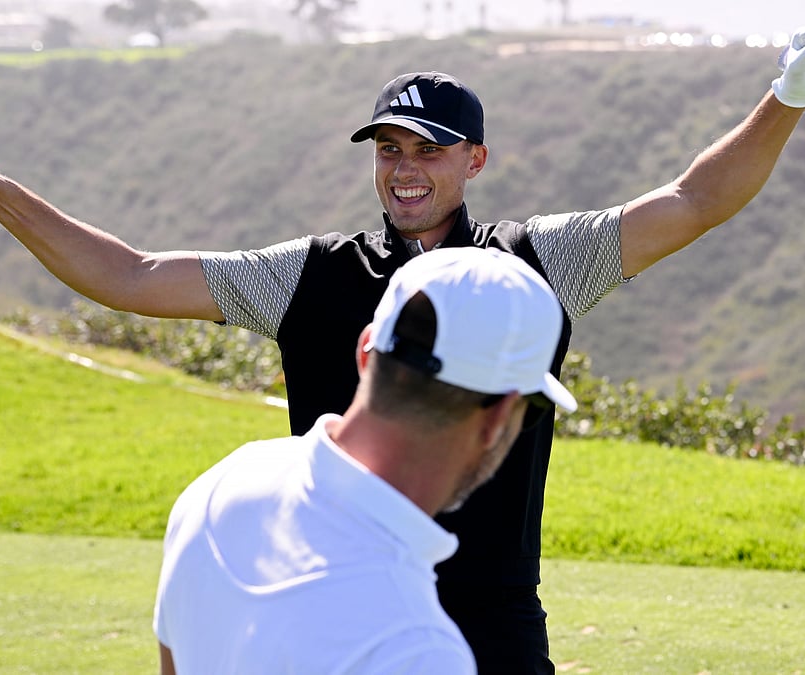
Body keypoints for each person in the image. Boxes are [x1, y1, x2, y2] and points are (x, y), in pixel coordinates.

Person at [0, 29, 805, 673]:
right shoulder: (309, 274)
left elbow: (691, 202)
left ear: (474, 161)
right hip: (340, 597)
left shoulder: (535, 261)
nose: (404, 166)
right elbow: (134, 273)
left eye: (429, 150)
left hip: (491, 621)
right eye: (388, 146)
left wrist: (786, 99)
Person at [153, 246, 578, 674]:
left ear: (365, 353)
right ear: (499, 418)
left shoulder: (218, 486)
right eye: (533, 409)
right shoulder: (419, 650)